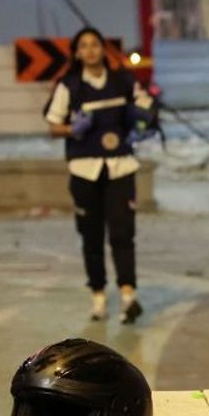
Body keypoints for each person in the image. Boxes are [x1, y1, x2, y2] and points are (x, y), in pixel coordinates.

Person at [44, 26, 156, 324]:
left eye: (96, 44)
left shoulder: (122, 81)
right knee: (91, 236)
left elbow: (146, 106)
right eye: (84, 46)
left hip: (120, 166)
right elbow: (53, 124)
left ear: (104, 50)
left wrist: (143, 123)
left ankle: (129, 296)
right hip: (84, 170)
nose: (91, 50)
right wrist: (71, 129)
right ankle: (98, 296)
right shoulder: (70, 86)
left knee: (122, 233)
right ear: (77, 53)